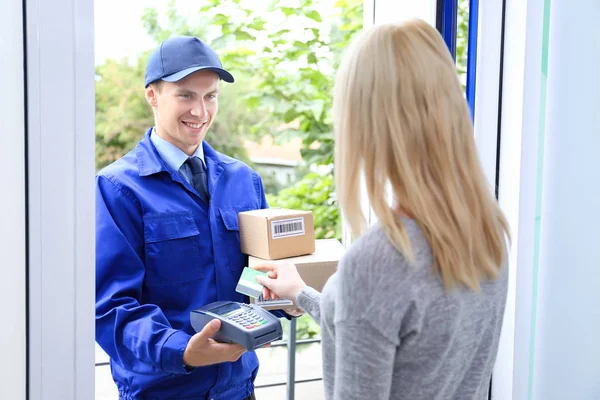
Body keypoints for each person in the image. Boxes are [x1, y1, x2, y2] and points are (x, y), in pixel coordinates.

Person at [252, 19, 511, 400]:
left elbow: (382, 305)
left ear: (367, 123)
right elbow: (396, 341)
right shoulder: (485, 228)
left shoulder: (379, 260)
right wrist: (302, 294)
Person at [95, 36, 296, 400]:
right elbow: (110, 307)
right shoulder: (117, 189)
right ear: (152, 96)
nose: (201, 112)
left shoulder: (243, 180)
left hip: (240, 390)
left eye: (211, 96)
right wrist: (183, 351)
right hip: (162, 393)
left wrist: (283, 302)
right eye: (186, 95)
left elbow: (256, 277)